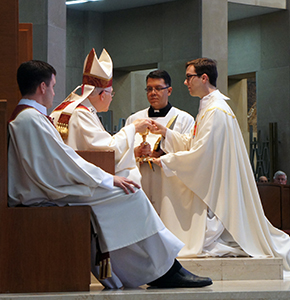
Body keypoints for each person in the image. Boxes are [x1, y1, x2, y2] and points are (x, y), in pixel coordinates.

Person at [8, 59, 213, 289]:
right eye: (53, 86)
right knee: (131, 194)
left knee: (127, 195)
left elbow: (65, 160)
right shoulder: (31, 119)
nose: (55, 93)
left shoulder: (30, 117)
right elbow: (67, 163)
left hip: (53, 186)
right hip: (51, 191)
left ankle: (162, 268)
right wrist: (108, 178)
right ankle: (163, 270)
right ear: (42, 87)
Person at [149, 57, 290, 277]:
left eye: (189, 77)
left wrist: (166, 161)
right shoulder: (211, 107)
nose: (185, 82)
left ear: (204, 77)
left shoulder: (216, 110)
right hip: (218, 180)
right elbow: (198, 144)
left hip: (219, 186)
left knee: (174, 187)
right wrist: (166, 134)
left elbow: (202, 155)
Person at [50, 48, 149, 185]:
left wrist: (134, 151)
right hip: (78, 182)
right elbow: (108, 150)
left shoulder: (68, 107)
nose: (111, 98)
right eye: (111, 94)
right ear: (103, 95)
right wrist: (133, 128)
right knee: (132, 181)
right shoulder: (82, 113)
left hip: (69, 176)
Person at [125, 70, 194, 210]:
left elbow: (189, 152)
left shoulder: (184, 119)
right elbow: (123, 149)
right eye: (149, 89)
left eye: (158, 88)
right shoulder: (134, 119)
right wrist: (136, 152)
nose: (153, 93)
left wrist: (162, 154)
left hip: (169, 185)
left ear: (169, 91)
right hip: (141, 180)